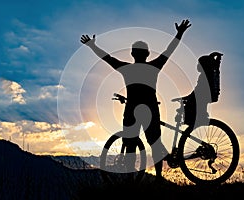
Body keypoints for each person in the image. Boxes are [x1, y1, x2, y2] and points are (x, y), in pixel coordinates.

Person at [80, 19, 191, 178]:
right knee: (155, 144)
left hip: (131, 110)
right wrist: (179, 34)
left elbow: (108, 58)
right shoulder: (153, 67)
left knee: (131, 145)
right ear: (147, 54)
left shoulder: (127, 69)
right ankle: (159, 177)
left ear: (132, 54)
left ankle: (131, 179)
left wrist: (92, 46)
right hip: (150, 109)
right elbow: (169, 51)